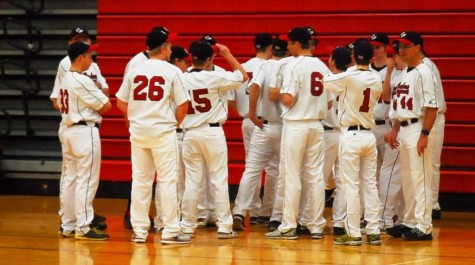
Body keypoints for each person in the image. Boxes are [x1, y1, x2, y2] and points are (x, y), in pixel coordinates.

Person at [116, 26, 191, 244]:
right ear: (165, 48)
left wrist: (140, 116)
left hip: (139, 132)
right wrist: (172, 123)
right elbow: (183, 105)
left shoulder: (135, 69)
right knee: (167, 181)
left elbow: (121, 102)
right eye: (169, 46)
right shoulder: (172, 71)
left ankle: (139, 232)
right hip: (163, 131)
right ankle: (170, 231)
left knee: (141, 181)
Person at [265, 27, 330, 240]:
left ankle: (289, 225)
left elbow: (287, 99)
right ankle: (316, 225)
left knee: (291, 174)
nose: (288, 47)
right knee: (315, 176)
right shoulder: (322, 66)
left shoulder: (293, 65)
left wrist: (284, 92)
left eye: (290, 43)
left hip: (296, 125)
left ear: (296, 44)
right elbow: (329, 100)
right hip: (317, 125)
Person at [180, 41, 248, 239]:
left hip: (190, 132)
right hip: (212, 132)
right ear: (210, 59)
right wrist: (227, 53)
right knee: (218, 180)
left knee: (192, 182)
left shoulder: (181, 78)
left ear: (192, 57)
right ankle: (224, 227)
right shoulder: (216, 76)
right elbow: (243, 76)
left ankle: (186, 226)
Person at [324, 41, 383, 246]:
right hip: (369, 135)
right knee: (370, 185)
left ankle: (353, 232)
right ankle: (374, 230)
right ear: (372, 58)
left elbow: (327, 82)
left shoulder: (348, 76)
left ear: (352, 57)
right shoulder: (376, 78)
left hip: (350, 135)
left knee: (351, 185)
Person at [51, 27, 108, 233]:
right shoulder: (80, 78)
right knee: (86, 179)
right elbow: (105, 105)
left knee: (70, 179)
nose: (92, 57)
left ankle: (68, 224)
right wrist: (91, 99)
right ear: (81, 56)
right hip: (84, 130)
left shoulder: (67, 78)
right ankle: (83, 226)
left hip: (68, 128)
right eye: (89, 54)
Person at [385, 31, 438, 241]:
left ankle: (424, 226)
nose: (402, 50)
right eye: (400, 46)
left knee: (420, 178)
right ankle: (409, 221)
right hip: (404, 128)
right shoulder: (405, 72)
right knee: (407, 179)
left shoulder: (425, 72)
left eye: (406, 46)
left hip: (418, 128)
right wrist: (395, 129)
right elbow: (400, 105)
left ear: (418, 47)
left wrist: (424, 134)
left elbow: (432, 107)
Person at [232, 35, 286, 229]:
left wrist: (252, 114)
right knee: (278, 171)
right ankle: (270, 213)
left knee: (251, 169)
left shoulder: (250, 66)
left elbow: (251, 88)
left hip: (257, 123)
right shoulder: (291, 65)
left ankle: (242, 211)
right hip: (285, 126)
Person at [324, 46, 352, 236]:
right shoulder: (353, 80)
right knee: (343, 181)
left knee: (317, 179)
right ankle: (339, 223)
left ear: (332, 62)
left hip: (326, 134)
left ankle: (313, 221)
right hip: (346, 133)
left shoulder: (326, 80)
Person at [379, 41, 406, 233]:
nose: (391, 59)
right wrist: (388, 73)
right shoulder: (397, 74)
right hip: (398, 126)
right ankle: (401, 218)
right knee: (401, 175)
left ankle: (384, 218)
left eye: (394, 56)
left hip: (402, 129)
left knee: (388, 173)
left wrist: (395, 128)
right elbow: (387, 98)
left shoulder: (413, 74)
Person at [421, 49, 447, 221]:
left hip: (434, 118)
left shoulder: (426, 66)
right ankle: (429, 203)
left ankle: (433, 204)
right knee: (427, 163)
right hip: (429, 118)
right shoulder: (422, 66)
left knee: (432, 163)